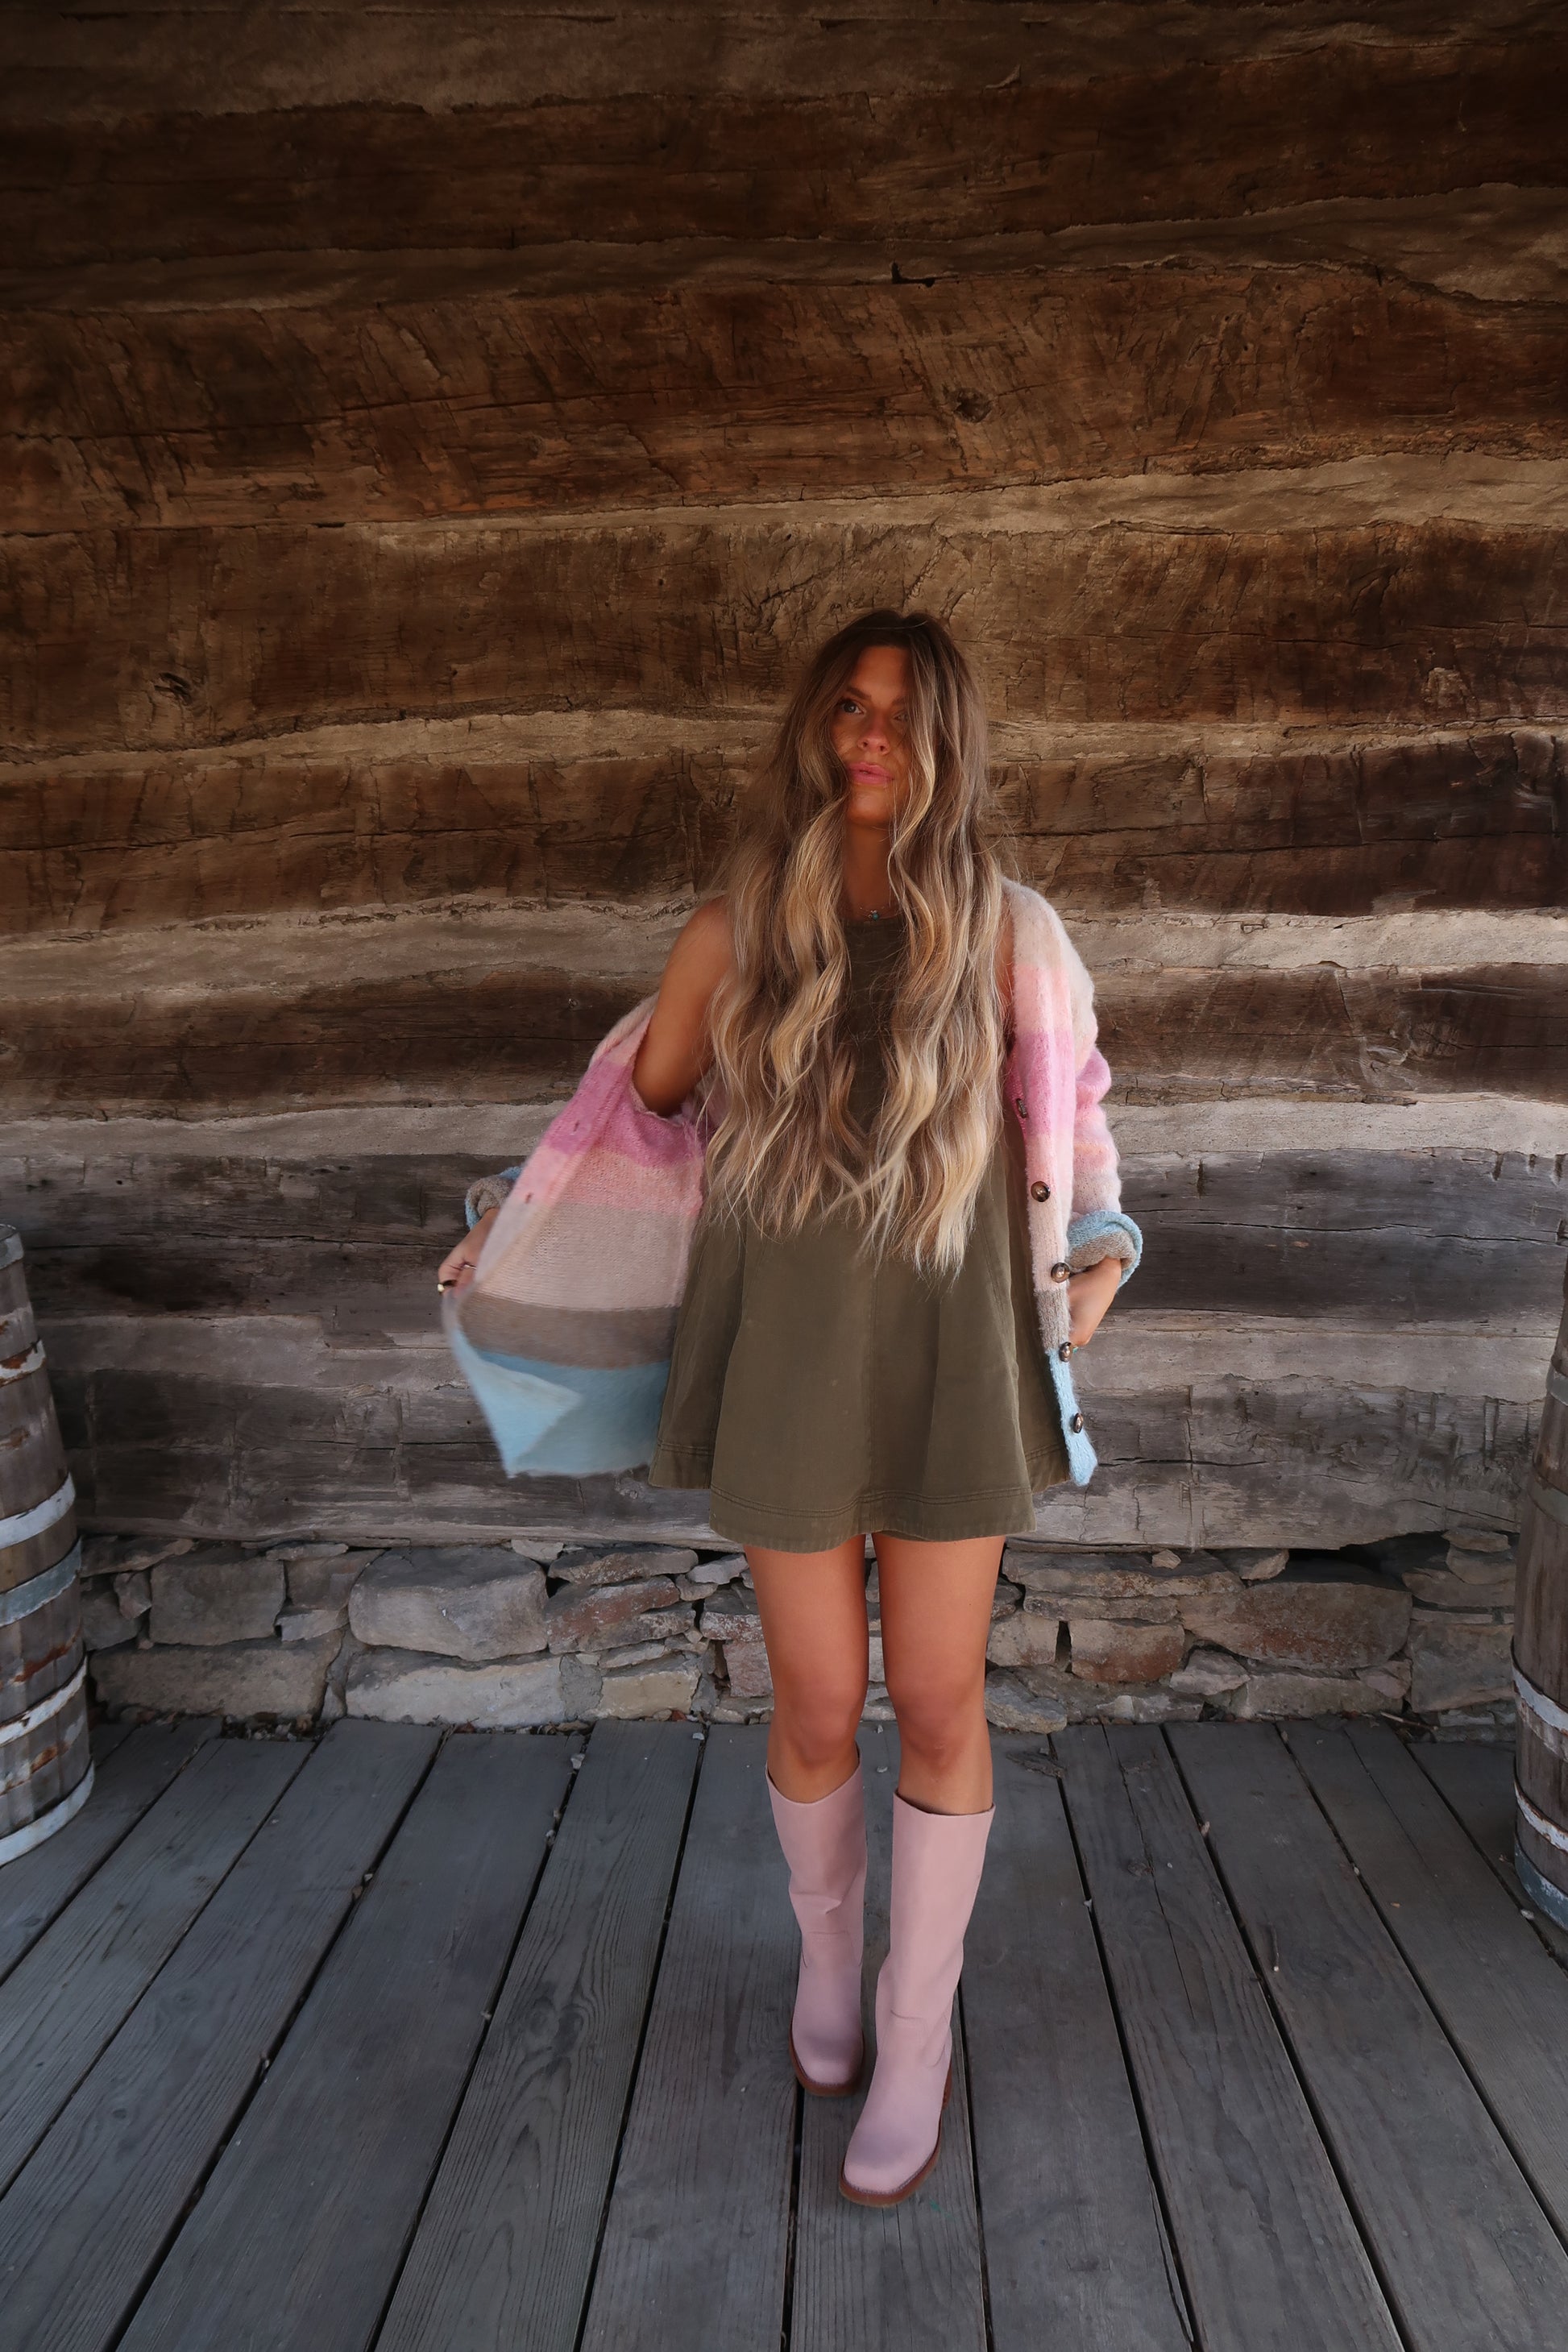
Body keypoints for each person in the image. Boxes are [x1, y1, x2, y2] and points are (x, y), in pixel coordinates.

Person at [438, 610, 1140, 2206]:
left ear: (947, 739)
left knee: (941, 1702)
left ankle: (915, 2029)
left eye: (902, 710)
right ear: (816, 732)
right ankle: (829, 1966)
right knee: (819, 1703)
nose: (872, 734)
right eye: (847, 707)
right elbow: (629, 1117)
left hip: (954, 1352)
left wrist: (1102, 1245)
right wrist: (518, 1227)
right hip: (785, 1356)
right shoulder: (736, 929)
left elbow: (1076, 1106)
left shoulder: (1012, 931)